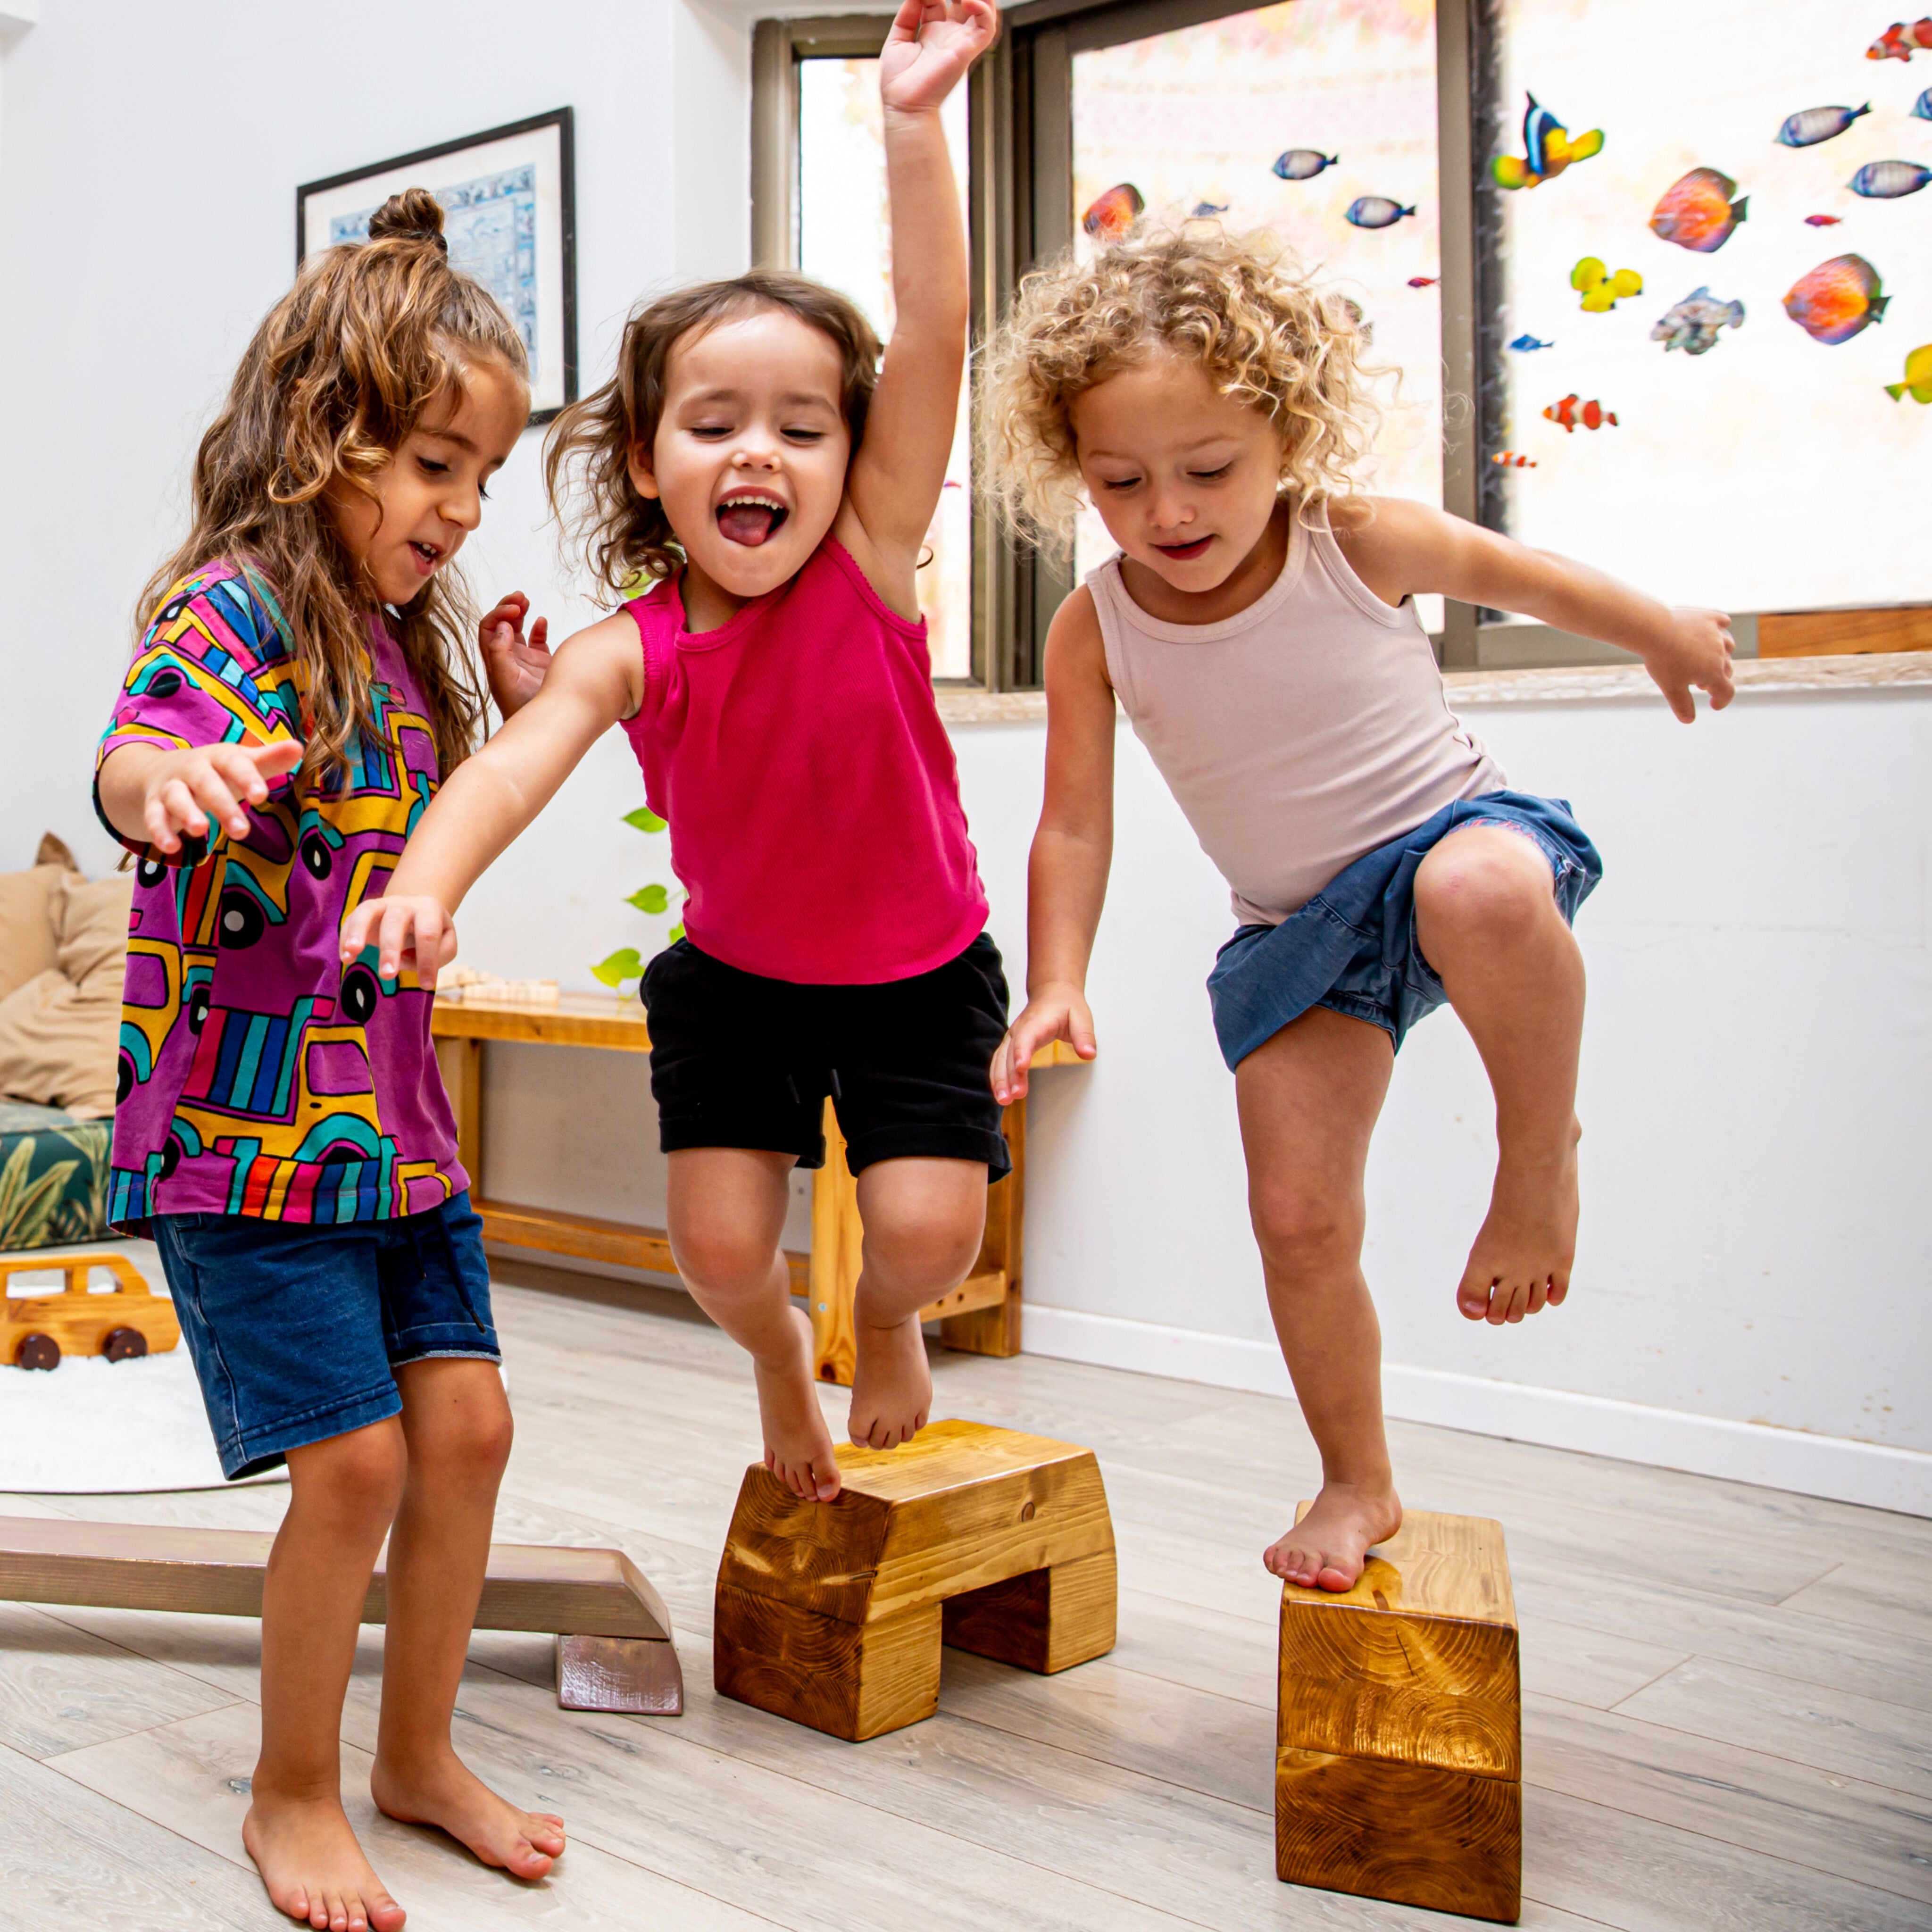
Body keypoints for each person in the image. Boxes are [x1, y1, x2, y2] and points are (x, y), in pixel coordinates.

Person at [981, 225, 1734, 1593]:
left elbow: (1532, 580)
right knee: (1299, 1219)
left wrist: (1664, 630)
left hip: (1454, 838)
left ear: (1286, 432)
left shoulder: (1353, 538)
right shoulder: (1097, 627)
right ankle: (1356, 1477)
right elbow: (1076, 820)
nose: (1170, 510)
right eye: (1121, 482)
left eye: (1209, 469)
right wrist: (1058, 979)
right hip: (1298, 935)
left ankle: (1535, 1155)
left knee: (1478, 886)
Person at [339, 0, 1003, 1508]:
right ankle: (779, 1356)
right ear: (649, 461)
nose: (760, 452)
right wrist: (418, 889)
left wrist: (909, 122)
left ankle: (882, 1324)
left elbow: (942, 329)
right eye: (715, 424)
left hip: (916, 971)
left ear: (860, 456)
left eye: (805, 427)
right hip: (744, 982)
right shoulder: (629, 647)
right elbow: (512, 771)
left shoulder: (874, 564)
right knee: (716, 1247)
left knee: (924, 1240)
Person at [94, 190, 562, 1932]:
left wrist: (509, 724)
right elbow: (134, 756)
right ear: (320, 436)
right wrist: (164, 788)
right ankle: (290, 1791)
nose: (457, 508)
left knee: (471, 1433)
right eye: (434, 464)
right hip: (249, 1136)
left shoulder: (405, 656)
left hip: (393, 1135)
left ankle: (416, 1756)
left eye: (479, 480)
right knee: (352, 1462)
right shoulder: (231, 611)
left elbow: (428, 850)